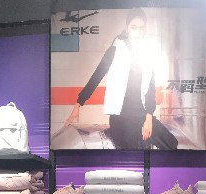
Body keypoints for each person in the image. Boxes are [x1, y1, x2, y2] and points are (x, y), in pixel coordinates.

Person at [63, 8, 178, 150]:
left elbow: (150, 86)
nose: (138, 32)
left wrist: (149, 118)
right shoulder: (116, 48)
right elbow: (97, 75)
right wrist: (78, 104)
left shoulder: (147, 52)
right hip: (121, 117)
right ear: (127, 28)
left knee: (171, 143)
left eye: (142, 28)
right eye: (134, 27)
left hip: (141, 114)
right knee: (133, 153)